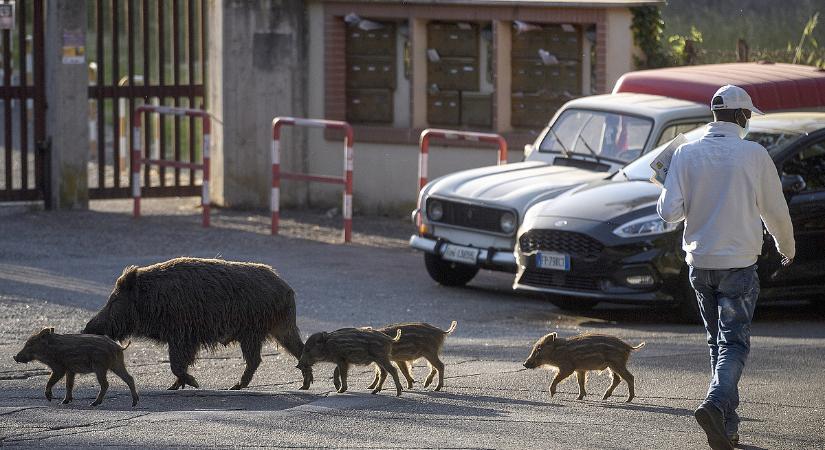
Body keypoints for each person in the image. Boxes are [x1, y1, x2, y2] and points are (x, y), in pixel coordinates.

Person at [657, 85, 795, 450]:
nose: (748, 121)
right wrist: (787, 249)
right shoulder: (754, 154)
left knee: (717, 344)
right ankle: (716, 404)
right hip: (739, 266)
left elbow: (668, 212)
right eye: (748, 115)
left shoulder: (686, 154)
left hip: (700, 265)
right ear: (740, 116)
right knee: (734, 344)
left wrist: (670, 178)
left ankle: (728, 425)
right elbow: (775, 212)